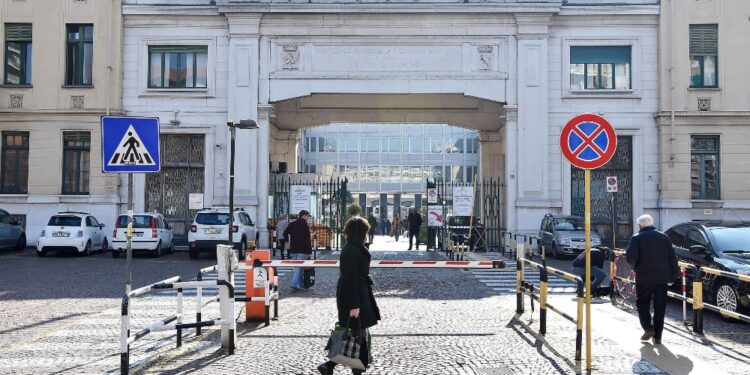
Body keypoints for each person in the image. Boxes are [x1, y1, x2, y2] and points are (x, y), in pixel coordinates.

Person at [318, 216, 381, 375]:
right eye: (366, 231)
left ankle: (331, 366)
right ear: (361, 232)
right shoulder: (351, 250)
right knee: (356, 334)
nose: (368, 234)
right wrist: (354, 305)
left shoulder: (355, 247)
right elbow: (349, 278)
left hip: (359, 292)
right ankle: (339, 367)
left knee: (356, 332)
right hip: (354, 295)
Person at [626, 214, 679, 345]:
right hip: (662, 278)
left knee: (642, 304)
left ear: (640, 225)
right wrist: (672, 277)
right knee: (660, 306)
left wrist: (635, 267)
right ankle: (658, 336)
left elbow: (631, 256)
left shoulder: (637, 238)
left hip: (643, 278)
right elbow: (673, 258)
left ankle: (648, 328)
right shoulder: (664, 237)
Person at [283, 210, 313, 292]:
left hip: (293, 249)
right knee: (298, 268)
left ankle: (302, 285)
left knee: (298, 267)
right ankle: (294, 284)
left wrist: (287, 241)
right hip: (302, 249)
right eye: (307, 216)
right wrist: (309, 251)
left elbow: (285, 233)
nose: (308, 217)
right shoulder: (305, 225)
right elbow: (307, 240)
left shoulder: (292, 224)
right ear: (303, 215)